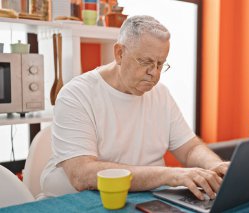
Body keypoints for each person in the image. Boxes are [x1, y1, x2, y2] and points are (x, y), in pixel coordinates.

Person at [41, 15, 229, 200]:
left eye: (160, 64)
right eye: (146, 62)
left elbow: (189, 148)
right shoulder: (76, 95)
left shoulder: (161, 94)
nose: (154, 73)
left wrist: (215, 166)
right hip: (77, 200)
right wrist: (170, 175)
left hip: (142, 197)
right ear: (119, 53)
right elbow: (82, 174)